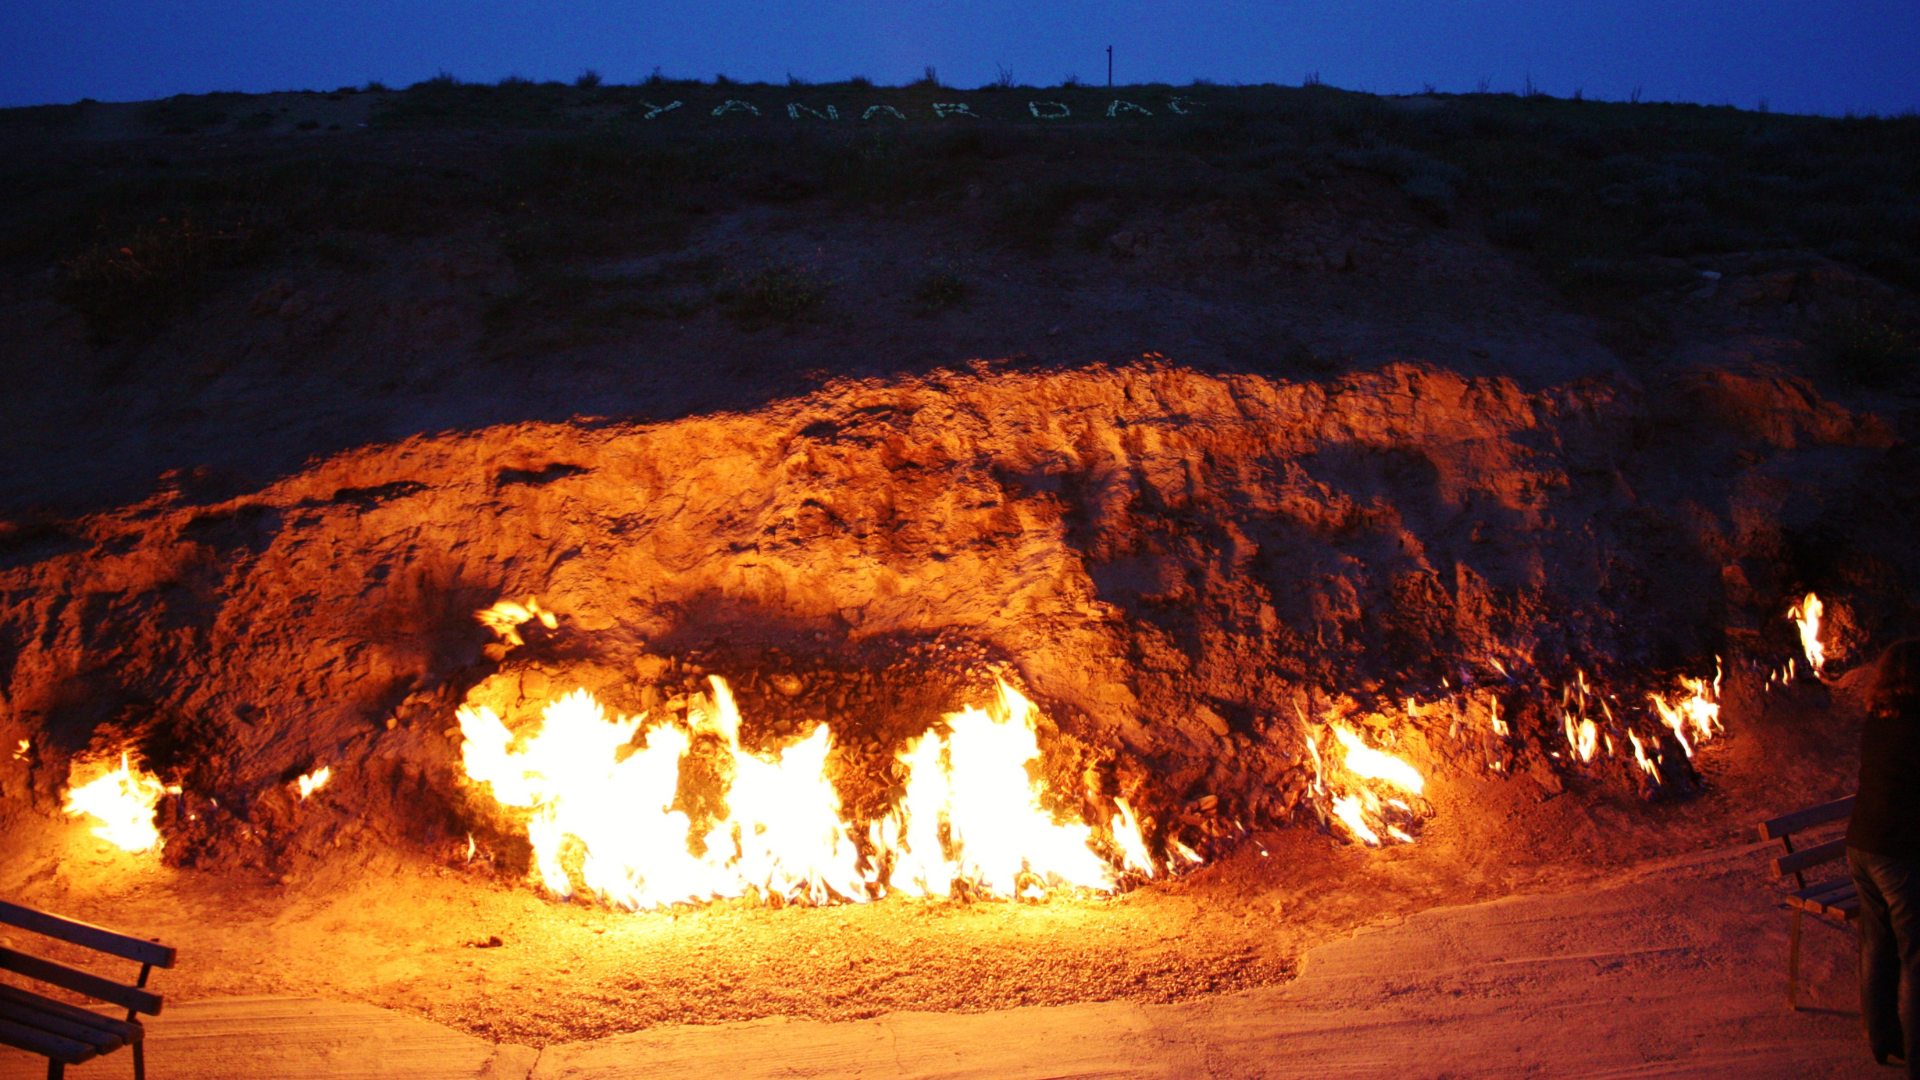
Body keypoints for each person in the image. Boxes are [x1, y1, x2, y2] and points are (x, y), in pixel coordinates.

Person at [1850, 638, 1920, 1076]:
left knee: (1878, 945)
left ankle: (1882, 1039)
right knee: (1917, 953)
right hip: (1897, 853)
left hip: (1862, 846)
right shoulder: (1915, 724)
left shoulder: (1878, 717)